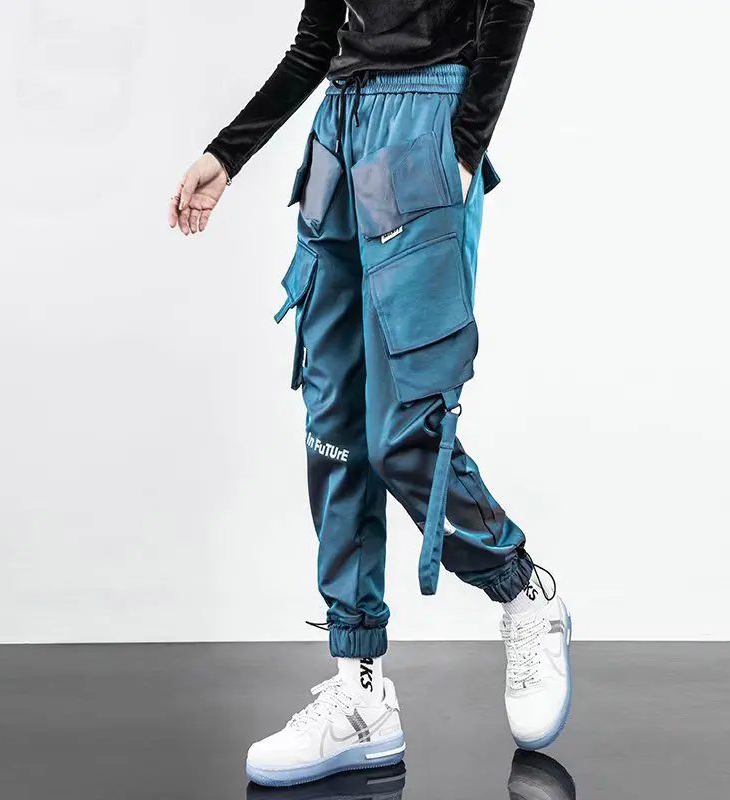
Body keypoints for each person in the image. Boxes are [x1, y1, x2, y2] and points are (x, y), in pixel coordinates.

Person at [168, 0, 571, 787]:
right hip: (338, 135)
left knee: (404, 433)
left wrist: (463, 146)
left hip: (424, 128)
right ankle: (360, 693)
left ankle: (523, 590)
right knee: (334, 430)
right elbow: (317, 40)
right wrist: (227, 153)